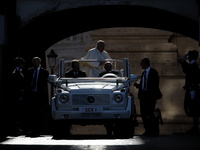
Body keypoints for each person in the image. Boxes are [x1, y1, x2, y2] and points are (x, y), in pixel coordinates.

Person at [134, 58, 162, 136]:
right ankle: (147, 129)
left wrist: (151, 95)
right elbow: (143, 85)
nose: (141, 65)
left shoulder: (153, 72)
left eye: (141, 63)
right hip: (143, 96)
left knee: (151, 114)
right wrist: (138, 86)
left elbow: (154, 85)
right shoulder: (143, 74)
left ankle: (154, 130)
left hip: (150, 97)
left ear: (145, 63)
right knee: (144, 114)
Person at [24, 57, 49, 136]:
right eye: (33, 62)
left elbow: (45, 84)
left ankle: (39, 130)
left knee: (39, 112)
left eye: (36, 62)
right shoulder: (29, 71)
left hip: (39, 95)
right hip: (31, 94)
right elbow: (27, 82)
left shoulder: (44, 72)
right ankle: (32, 129)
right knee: (31, 112)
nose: (35, 63)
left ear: (39, 63)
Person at [180, 50, 200, 134]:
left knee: (194, 109)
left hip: (193, 89)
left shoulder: (194, 65)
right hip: (192, 89)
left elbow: (187, 70)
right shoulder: (193, 65)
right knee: (192, 109)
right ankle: (195, 127)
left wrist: (183, 61)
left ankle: (195, 127)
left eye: (190, 56)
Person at [9, 57, 26, 135]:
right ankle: (15, 128)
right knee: (16, 112)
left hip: (19, 94)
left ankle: (17, 127)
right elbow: (17, 84)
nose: (23, 65)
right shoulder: (15, 72)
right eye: (21, 64)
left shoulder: (18, 72)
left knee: (18, 111)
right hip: (16, 94)